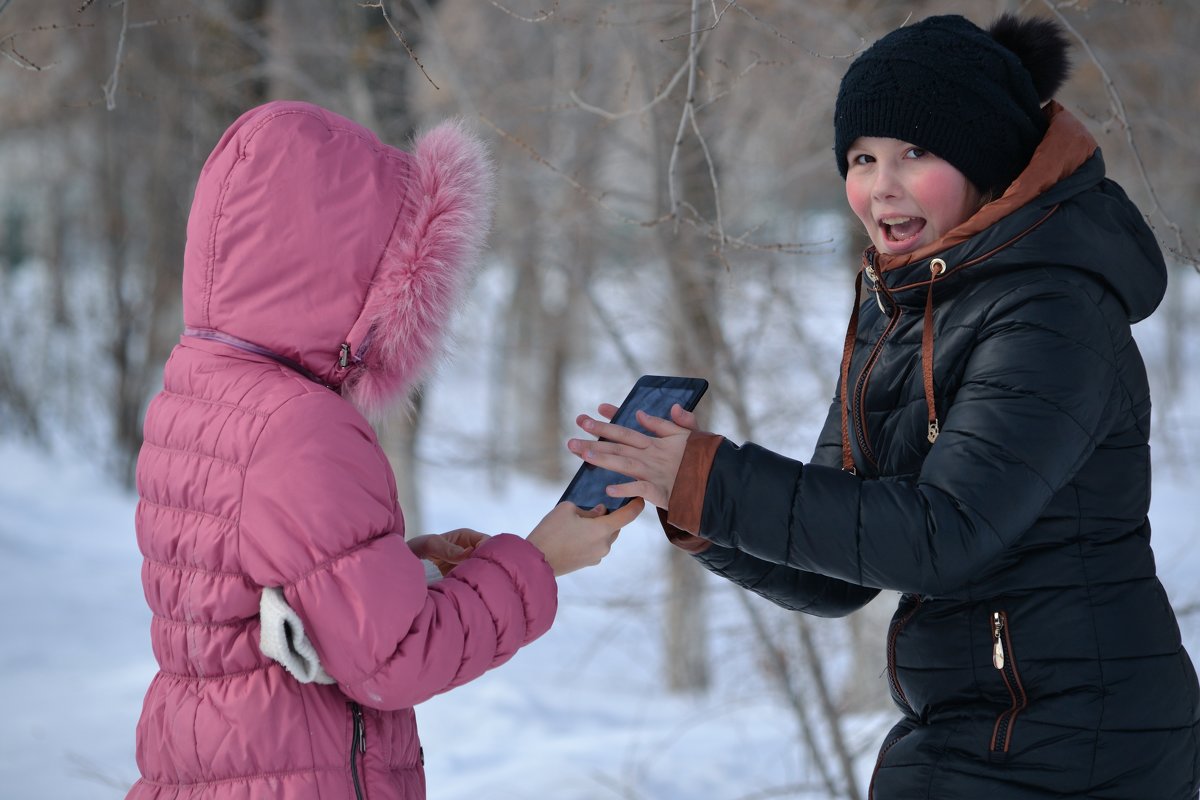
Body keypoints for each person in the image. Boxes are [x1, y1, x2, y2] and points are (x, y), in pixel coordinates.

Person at [568, 13, 1200, 799]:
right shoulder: (904, 299)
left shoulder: (1049, 308)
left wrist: (716, 478)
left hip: (1080, 743)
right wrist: (692, 501)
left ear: (986, 159)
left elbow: (944, 534)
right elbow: (844, 575)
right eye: (862, 158)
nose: (881, 185)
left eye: (915, 152)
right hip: (979, 724)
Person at [126, 100, 643, 800]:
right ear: (349, 270)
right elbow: (395, 659)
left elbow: (252, 593)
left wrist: (394, 570)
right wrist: (543, 557)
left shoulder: (199, 387)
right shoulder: (301, 424)